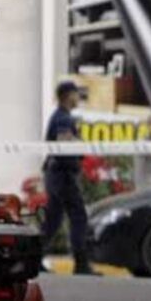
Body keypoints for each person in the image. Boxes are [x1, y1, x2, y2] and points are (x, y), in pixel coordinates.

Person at [42, 81, 99, 276]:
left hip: (56, 174)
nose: (78, 98)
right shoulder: (64, 119)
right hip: (63, 175)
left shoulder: (60, 116)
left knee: (53, 220)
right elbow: (64, 145)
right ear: (68, 96)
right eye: (76, 94)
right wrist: (81, 144)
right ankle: (81, 263)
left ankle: (32, 259)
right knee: (78, 216)